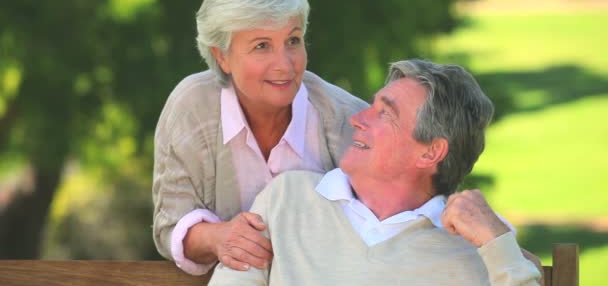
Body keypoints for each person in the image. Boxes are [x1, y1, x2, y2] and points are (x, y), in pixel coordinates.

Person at [208, 59, 543, 285]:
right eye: (373, 105)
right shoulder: (287, 198)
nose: (357, 119)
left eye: (386, 114)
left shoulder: (477, 250)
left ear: (431, 151)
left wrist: (497, 243)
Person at [152, 0, 367, 275]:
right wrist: (217, 237)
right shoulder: (191, 107)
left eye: (293, 41)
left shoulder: (346, 118)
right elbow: (170, 224)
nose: (285, 65)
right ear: (221, 56)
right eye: (262, 46)